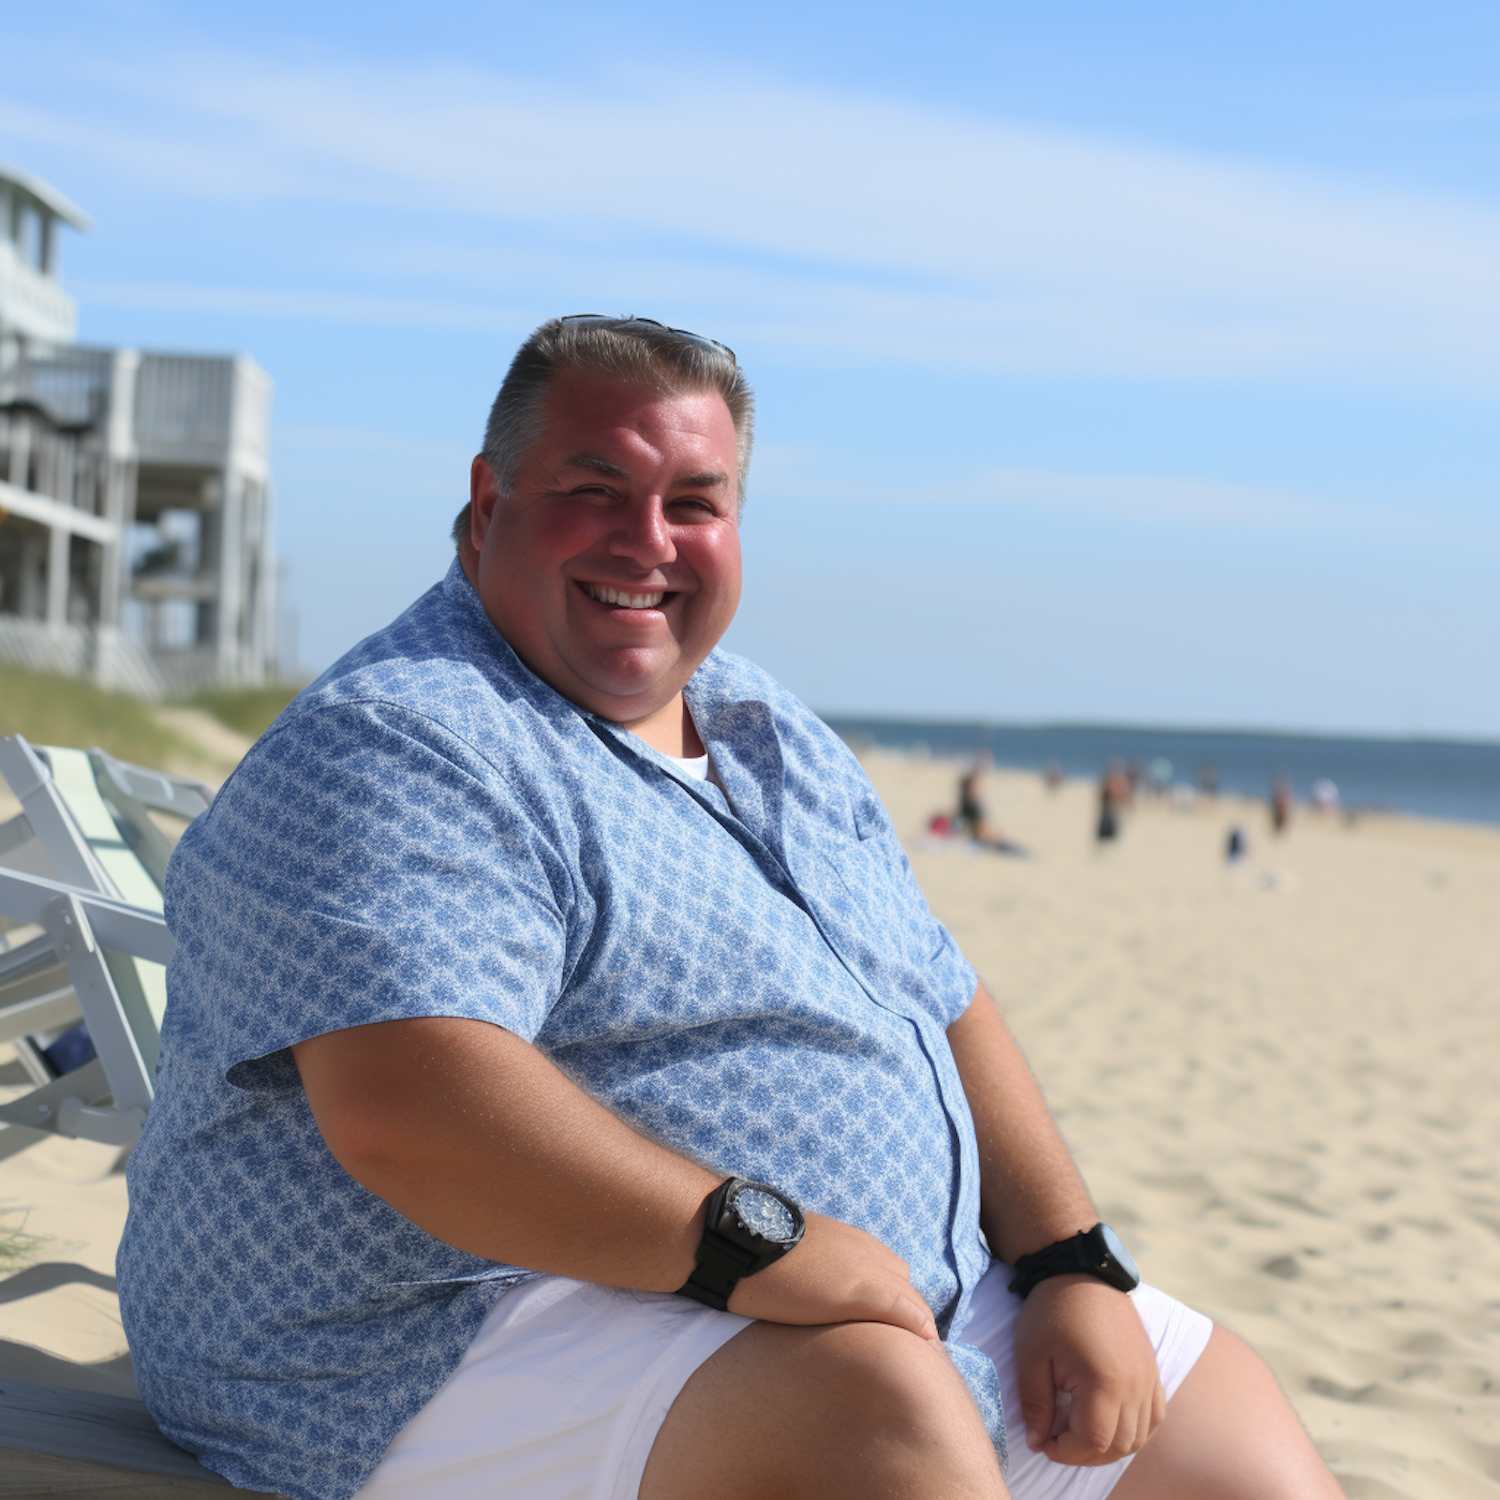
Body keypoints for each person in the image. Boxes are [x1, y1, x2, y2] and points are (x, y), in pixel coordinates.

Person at [117, 317, 1342, 1500]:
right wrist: (769, 1248)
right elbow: (411, 1106)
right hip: (404, 1332)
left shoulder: (764, 723)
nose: (647, 540)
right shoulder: (412, 739)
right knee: (879, 1413)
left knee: (1223, 1425)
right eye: (595, 490)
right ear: (490, 506)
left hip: (869, 1289)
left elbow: (943, 995)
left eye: (693, 503)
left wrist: (1073, 1258)